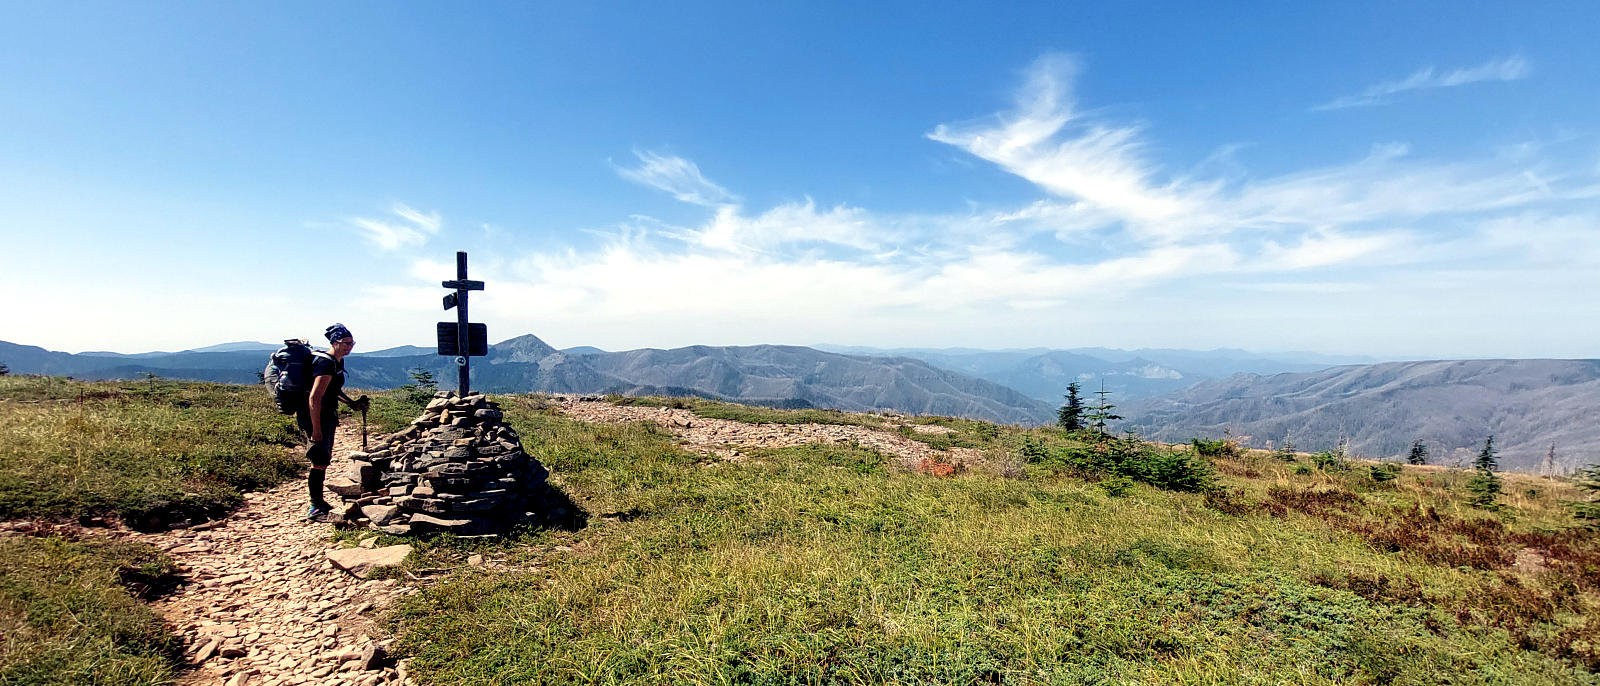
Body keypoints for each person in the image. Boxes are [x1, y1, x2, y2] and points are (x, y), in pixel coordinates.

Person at [300, 323, 369, 521]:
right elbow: (315, 397)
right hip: (316, 415)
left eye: (352, 343)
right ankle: (315, 506)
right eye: (345, 343)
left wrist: (352, 404)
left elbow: (332, 389)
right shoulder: (326, 363)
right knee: (319, 460)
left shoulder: (336, 362)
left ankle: (318, 503)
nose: (349, 346)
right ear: (334, 342)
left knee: (322, 459)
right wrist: (316, 429)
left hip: (326, 414)